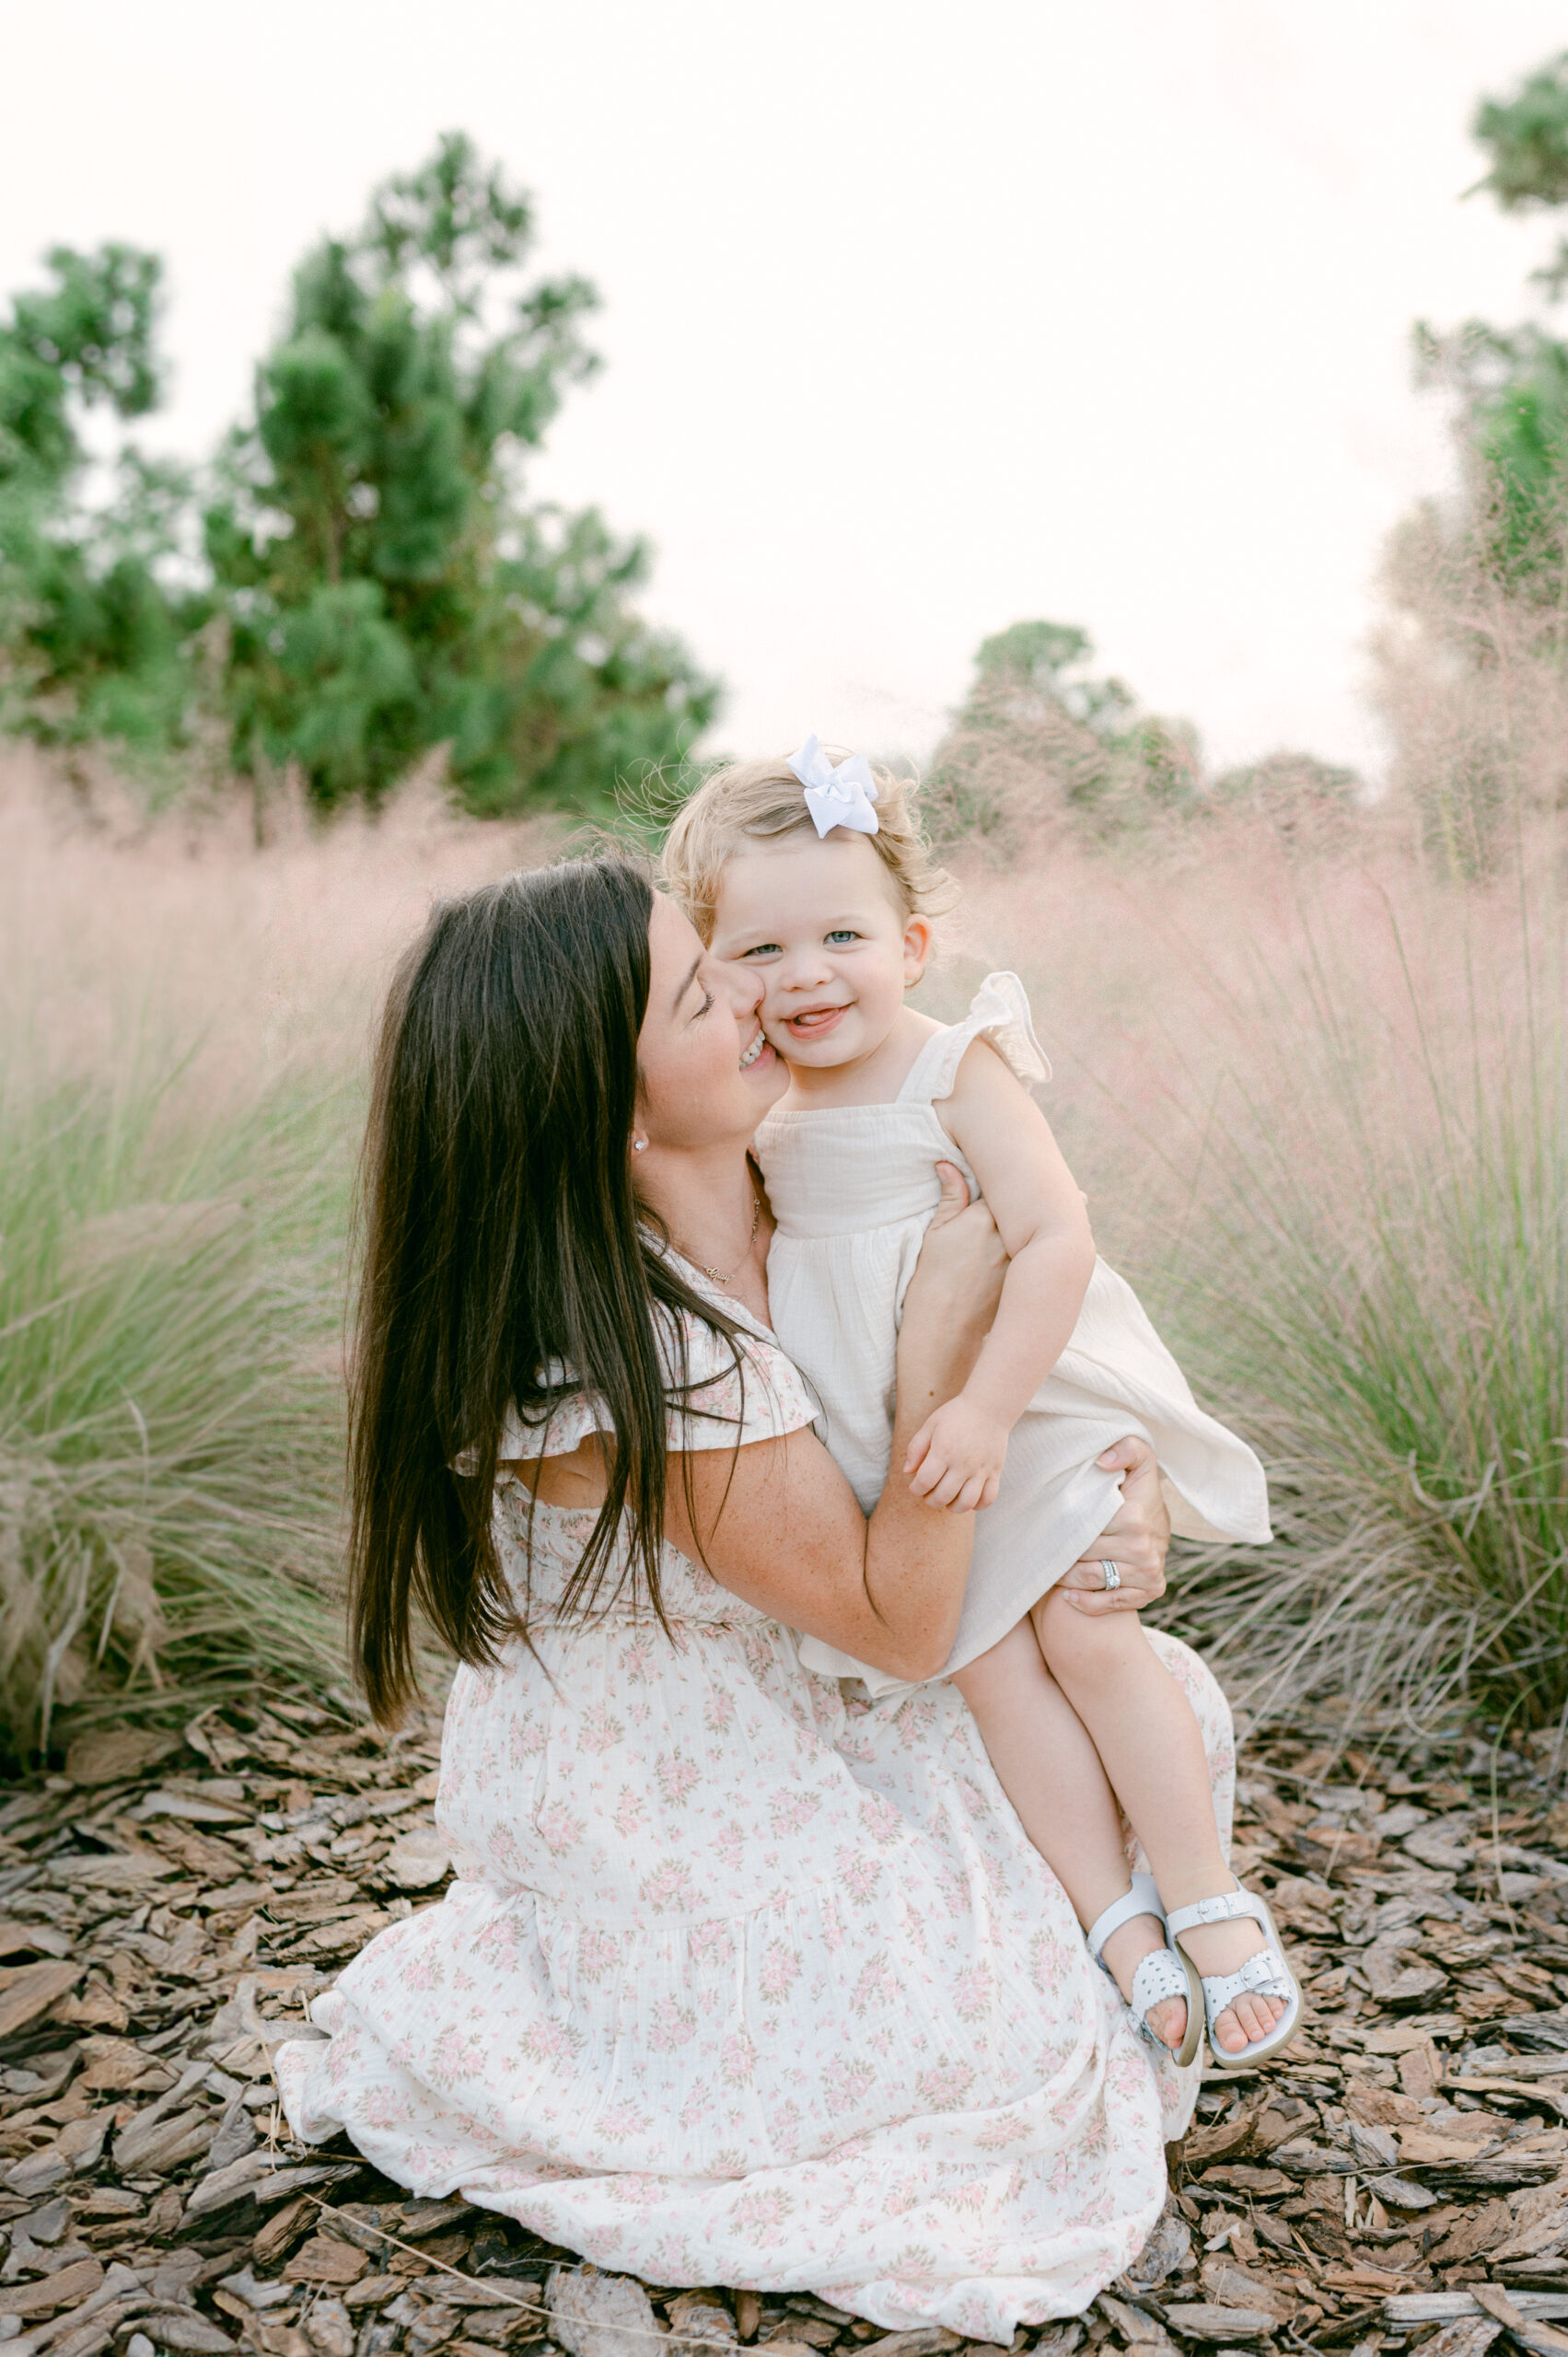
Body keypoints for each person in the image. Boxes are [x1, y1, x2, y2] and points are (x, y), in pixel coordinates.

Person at [276, 855, 1237, 2336]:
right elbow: (904, 1621)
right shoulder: (637, 1352)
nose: (754, 997)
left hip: (758, 1711)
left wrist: (1110, 1482)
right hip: (678, 1807)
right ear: (610, 1100)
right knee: (994, 1992)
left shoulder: (782, 1213)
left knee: (1142, 1706)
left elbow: (978, 1419)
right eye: (697, 989)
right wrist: (936, 1367)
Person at [662, 740, 1302, 2071]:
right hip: (885, 1429)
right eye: (762, 952)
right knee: (992, 1666)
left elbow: (1056, 1240)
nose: (808, 977)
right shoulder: (763, 1108)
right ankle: (1114, 1920)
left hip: (1016, 1397)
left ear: (915, 938)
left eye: (844, 935)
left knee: (1086, 1625)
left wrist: (992, 1411)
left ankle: (1204, 1892)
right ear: (714, 966)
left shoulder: (952, 1066)